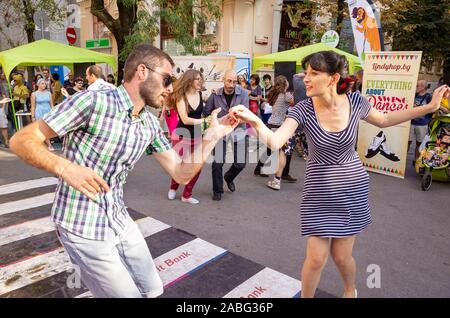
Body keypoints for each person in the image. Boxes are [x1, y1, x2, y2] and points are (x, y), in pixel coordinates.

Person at [9, 44, 239, 298]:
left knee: (153, 289)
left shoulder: (149, 123)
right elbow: (22, 140)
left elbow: (181, 174)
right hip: (82, 226)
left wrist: (213, 136)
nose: (171, 88)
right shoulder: (93, 102)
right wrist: (66, 168)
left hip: (119, 219)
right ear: (142, 71)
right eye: (166, 79)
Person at [230, 51, 450, 298]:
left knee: (341, 256)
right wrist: (253, 120)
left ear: (333, 78)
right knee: (315, 259)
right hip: (319, 191)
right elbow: (276, 139)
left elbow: (386, 119)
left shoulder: (355, 102)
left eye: (314, 73)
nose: (306, 79)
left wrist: (429, 107)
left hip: (351, 188)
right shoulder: (302, 110)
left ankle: (349, 290)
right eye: (306, 73)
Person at [204, 69, 249, 201]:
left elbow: (246, 113)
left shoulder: (244, 94)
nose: (231, 84)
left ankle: (228, 177)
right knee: (218, 162)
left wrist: (236, 117)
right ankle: (217, 190)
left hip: (239, 130)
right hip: (220, 131)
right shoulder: (215, 95)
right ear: (223, 80)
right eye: (229, 81)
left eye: (234, 81)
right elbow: (207, 113)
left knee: (240, 163)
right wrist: (213, 118)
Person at [167, 70, 205, 204]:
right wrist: (205, 121)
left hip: (197, 135)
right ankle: (173, 186)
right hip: (182, 135)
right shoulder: (181, 97)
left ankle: (186, 195)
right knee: (181, 164)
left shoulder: (201, 95)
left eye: (201, 79)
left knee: (197, 166)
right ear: (189, 81)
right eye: (197, 79)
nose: (200, 81)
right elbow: (185, 119)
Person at [409, 79, 432, 164]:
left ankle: (416, 161)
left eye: (417, 85)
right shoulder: (413, 95)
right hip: (411, 122)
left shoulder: (429, 97)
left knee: (419, 144)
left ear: (423, 87)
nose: (416, 87)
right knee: (407, 142)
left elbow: (432, 110)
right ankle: (403, 162)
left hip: (422, 124)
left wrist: (420, 108)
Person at [30, 78, 54, 150]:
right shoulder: (34, 94)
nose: (44, 85)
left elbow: (52, 105)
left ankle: (40, 143)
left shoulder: (48, 93)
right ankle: (49, 145)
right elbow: (33, 106)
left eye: (45, 83)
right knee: (43, 130)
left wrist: (54, 113)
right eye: (42, 83)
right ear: (38, 85)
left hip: (48, 113)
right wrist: (33, 116)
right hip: (39, 113)